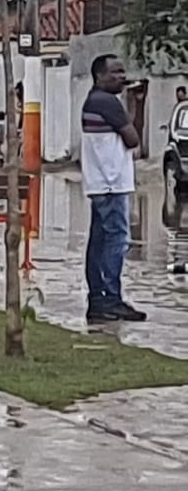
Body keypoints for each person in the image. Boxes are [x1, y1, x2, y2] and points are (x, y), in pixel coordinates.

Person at [83, 54, 145, 322]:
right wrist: (136, 109)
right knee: (116, 241)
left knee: (98, 242)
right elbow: (133, 140)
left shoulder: (94, 100)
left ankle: (98, 299)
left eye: (123, 71)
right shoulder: (108, 102)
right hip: (111, 184)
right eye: (115, 72)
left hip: (100, 183)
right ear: (99, 77)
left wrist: (137, 106)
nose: (122, 76)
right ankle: (111, 298)